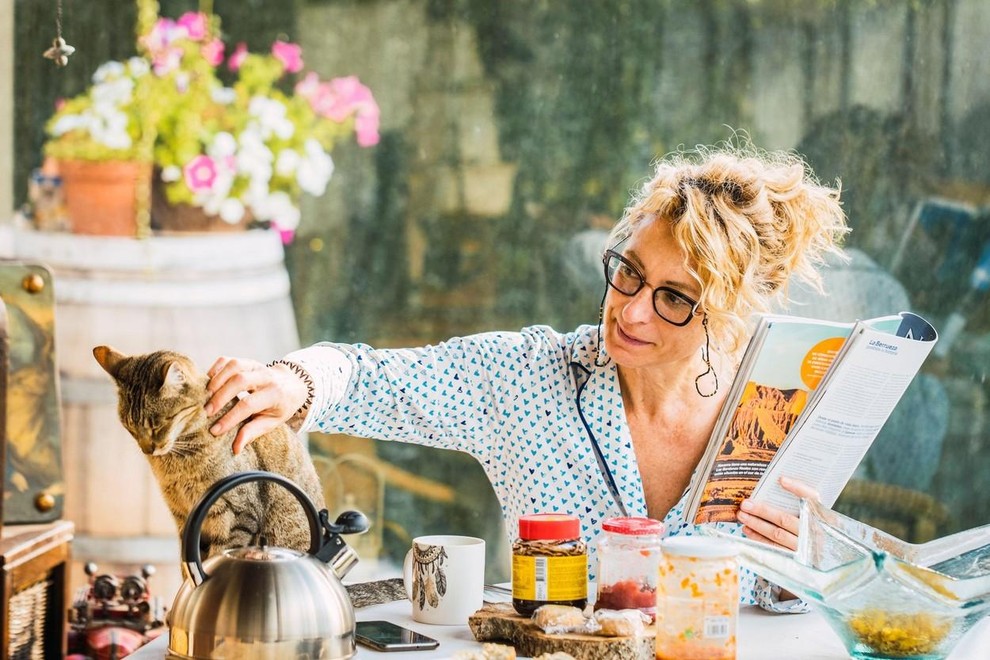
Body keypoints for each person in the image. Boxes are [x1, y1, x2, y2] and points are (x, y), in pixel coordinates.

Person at [205, 142, 848, 610]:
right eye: (629, 271)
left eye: (674, 298)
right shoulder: (530, 379)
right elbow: (366, 375)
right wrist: (294, 380)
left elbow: (801, 592)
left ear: (726, 317)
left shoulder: (772, 417)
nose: (630, 308)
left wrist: (805, 562)